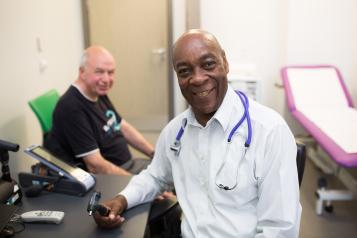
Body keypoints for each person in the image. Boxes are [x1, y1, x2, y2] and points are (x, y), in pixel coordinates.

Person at [93, 30, 301, 237]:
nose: (198, 78)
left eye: (208, 64)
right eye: (185, 71)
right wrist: (121, 200)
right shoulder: (175, 132)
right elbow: (155, 177)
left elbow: (280, 229)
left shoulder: (270, 131)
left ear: (225, 63)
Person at [44, 46, 155, 175]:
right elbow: (95, 165)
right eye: (99, 71)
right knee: (174, 182)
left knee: (173, 170)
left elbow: (122, 126)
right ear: (82, 72)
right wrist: (141, 186)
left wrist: (155, 154)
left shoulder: (97, 91)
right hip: (114, 178)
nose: (106, 79)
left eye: (111, 72)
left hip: (129, 167)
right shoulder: (71, 107)